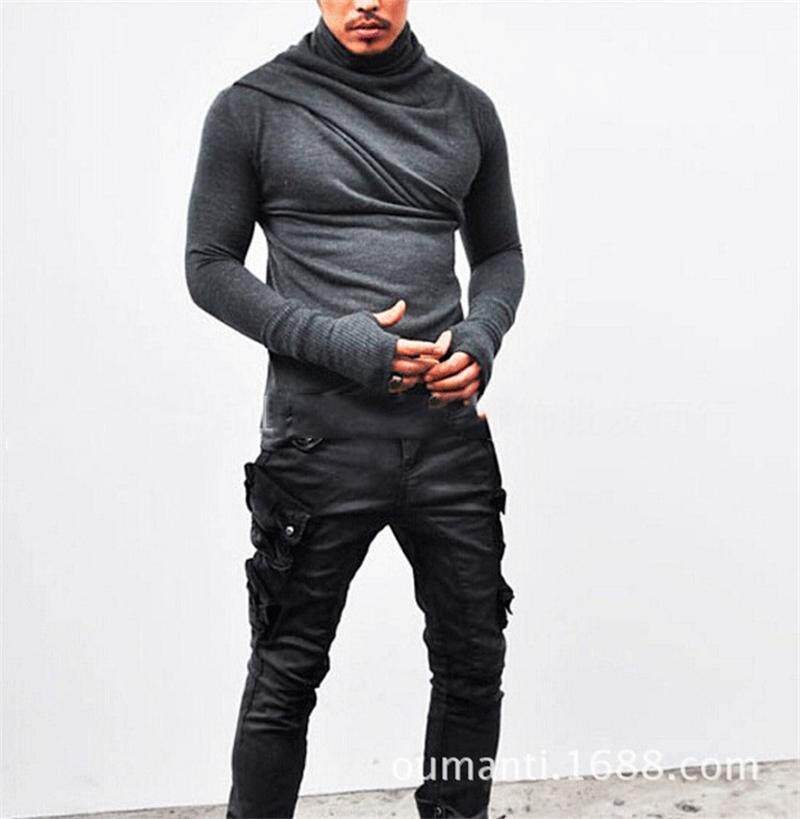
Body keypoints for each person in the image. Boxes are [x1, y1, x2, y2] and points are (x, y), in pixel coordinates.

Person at [184, 1, 525, 816]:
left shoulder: (468, 110)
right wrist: (339, 343)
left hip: (447, 437)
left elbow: (501, 253)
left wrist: (481, 335)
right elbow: (209, 265)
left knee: (474, 662)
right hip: (317, 441)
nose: (365, 2)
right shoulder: (253, 107)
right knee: (287, 671)